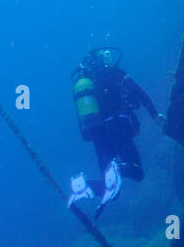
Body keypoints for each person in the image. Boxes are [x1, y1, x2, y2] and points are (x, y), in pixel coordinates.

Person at [68, 47, 165, 217]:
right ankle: (119, 169)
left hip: (98, 135)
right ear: (104, 59)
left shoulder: (88, 82)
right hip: (119, 127)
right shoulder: (116, 73)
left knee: (111, 190)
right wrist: (155, 115)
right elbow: (140, 93)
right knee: (137, 172)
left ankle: (84, 185)